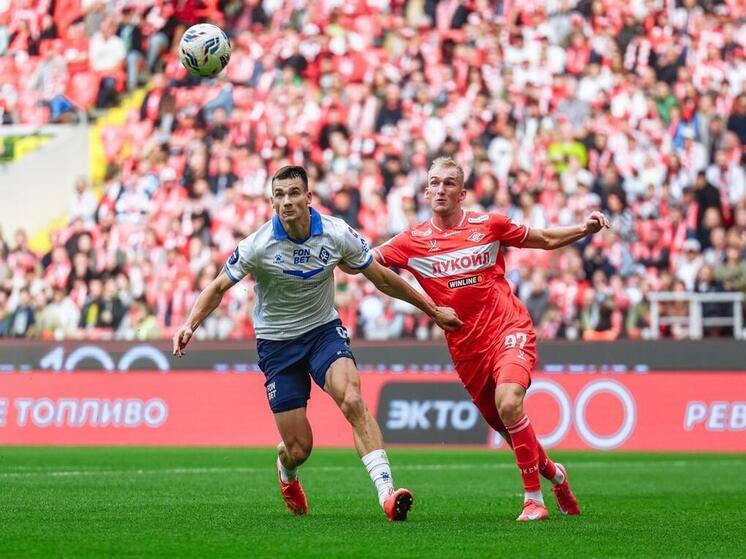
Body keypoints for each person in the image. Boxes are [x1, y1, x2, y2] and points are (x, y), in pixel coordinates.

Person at [172, 165, 461, 521]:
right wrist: (189, 324)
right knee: (299, 449)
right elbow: (217, 287)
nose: (286, 202)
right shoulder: (258, 245)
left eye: (294, 193)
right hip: (277, 344)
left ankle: (387, 493)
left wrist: (432, 310)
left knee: (352, 399)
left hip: (323, 331)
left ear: (308, 197)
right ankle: (286, 471)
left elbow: (382, 278)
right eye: (279, 195)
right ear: (272, 202)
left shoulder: (337, 234)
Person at [369, 157, 609, 522]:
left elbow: (543, 239)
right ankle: (556, 475)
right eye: (434, 183)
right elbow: (365, 262)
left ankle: (533, 501)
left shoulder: (489, 224)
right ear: (426, 191)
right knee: (511, 431)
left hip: (509, 329)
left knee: (509, 403)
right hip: (466, 350)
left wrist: (584, 228)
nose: (440, 190)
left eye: (449, 183)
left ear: (462, 193)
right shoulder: (410, 241)